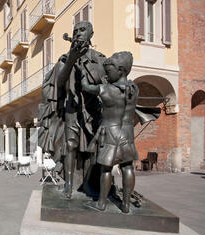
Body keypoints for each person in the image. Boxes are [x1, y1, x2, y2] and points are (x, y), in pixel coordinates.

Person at [38, 21, 107, 199]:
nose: (77, 33)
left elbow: (105, 84)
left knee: (93, 149)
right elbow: (59, 83)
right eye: (75, 30)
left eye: (82, 30)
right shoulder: (64, 58)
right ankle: (68, 184)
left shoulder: (100, 58)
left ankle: (89, 184)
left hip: (93, 111)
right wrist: (71, 60)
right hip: (72, 110)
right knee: (70, 146)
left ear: (91, 34)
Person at [81, 51, 138, 214]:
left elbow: (86, 87)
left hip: (110, 131)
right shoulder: (134, 89)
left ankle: (101, 203)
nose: (106, 73)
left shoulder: (105, 89)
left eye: (109, 70)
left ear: (121, 70)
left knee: (105, 169)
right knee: (127, 167)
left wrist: (83, 72)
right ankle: (126, 205)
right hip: (127, 131)